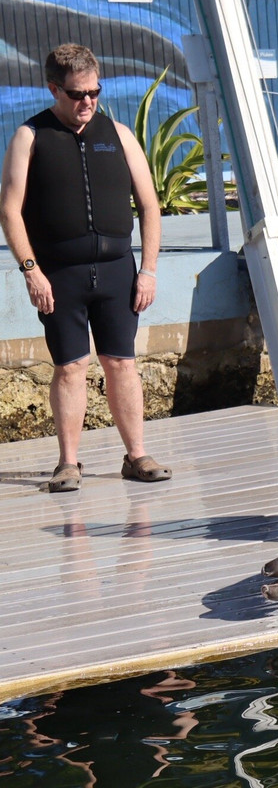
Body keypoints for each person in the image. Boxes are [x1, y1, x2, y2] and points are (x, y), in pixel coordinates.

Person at [0, 43, 172, 492]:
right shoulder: (29, 136)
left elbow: (150, 207)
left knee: (122, 362)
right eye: (78, 94)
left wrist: (148, 269)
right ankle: (68, 463)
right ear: (54, 89)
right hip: (60, 274)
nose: (88, 101)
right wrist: (31, 270)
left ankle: (136, 456)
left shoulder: (117, 134)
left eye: (95, 91)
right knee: (71, 366)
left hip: (117, 270)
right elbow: (10, 211)